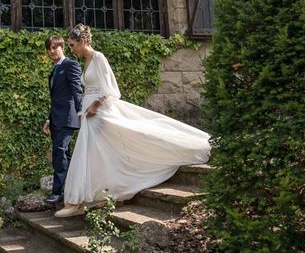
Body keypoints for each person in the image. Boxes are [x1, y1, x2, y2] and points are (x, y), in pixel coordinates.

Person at [54, 24, 211, 218]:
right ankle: (92, 197)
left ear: (83, 41)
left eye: (72, 44)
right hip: (89, 115)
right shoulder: (85, 62)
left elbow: (111, 89)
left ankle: (81, 200)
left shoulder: (99, 57)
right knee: (96, 155)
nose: (72, 49)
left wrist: (95, 104)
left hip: (99, 112)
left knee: (120, 142)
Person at [43, 35, 83, 205]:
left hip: (67, 118)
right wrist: (49, 119)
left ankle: (57, 192)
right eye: (49, 49)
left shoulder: (70, 65)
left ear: (62, 47)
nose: (52, 51)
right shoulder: (55, 69)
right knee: (64, 153)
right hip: (56, 119)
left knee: (59, 152)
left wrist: (81, 111)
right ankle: (71, 188)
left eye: (55, 47)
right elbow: (56, 98)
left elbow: (77, 90)